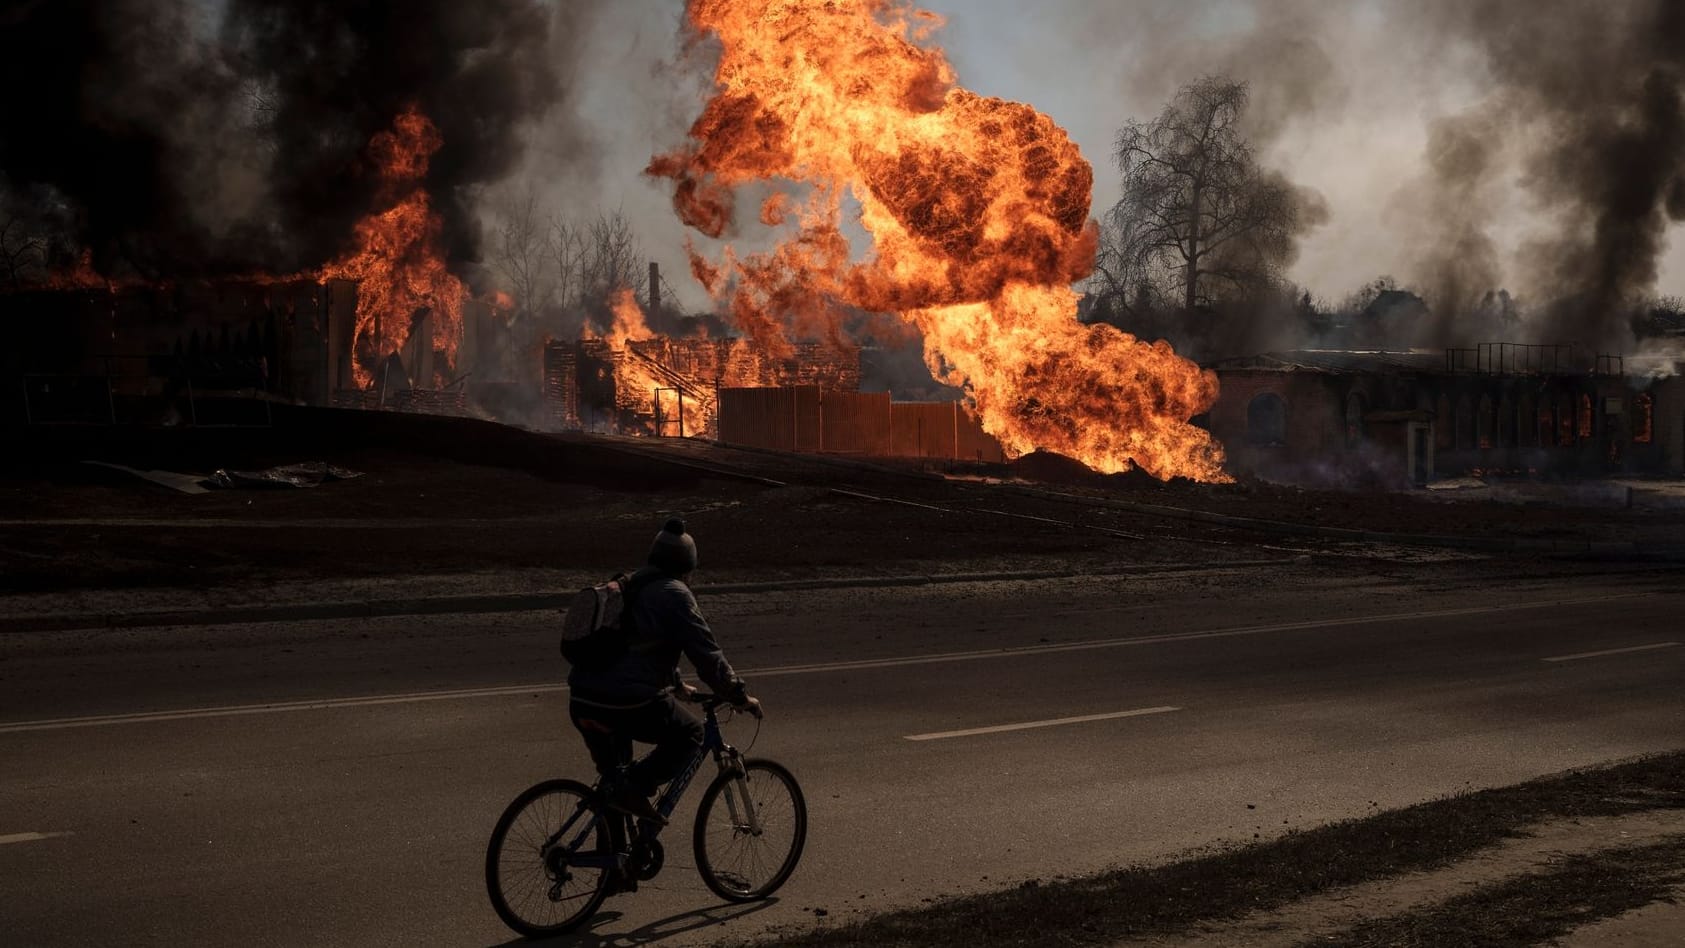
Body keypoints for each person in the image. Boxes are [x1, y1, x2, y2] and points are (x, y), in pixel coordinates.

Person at [568, 518, 761, 826]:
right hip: (624, 703)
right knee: (691, 734)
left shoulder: (630, 583)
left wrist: (675, 683)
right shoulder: (675, 593)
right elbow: (707, 654)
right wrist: (737, 694)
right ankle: (634, 789)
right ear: (687, 566)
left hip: (582, 699)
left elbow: (636, 646)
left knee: (615, 785)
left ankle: (617, 868)